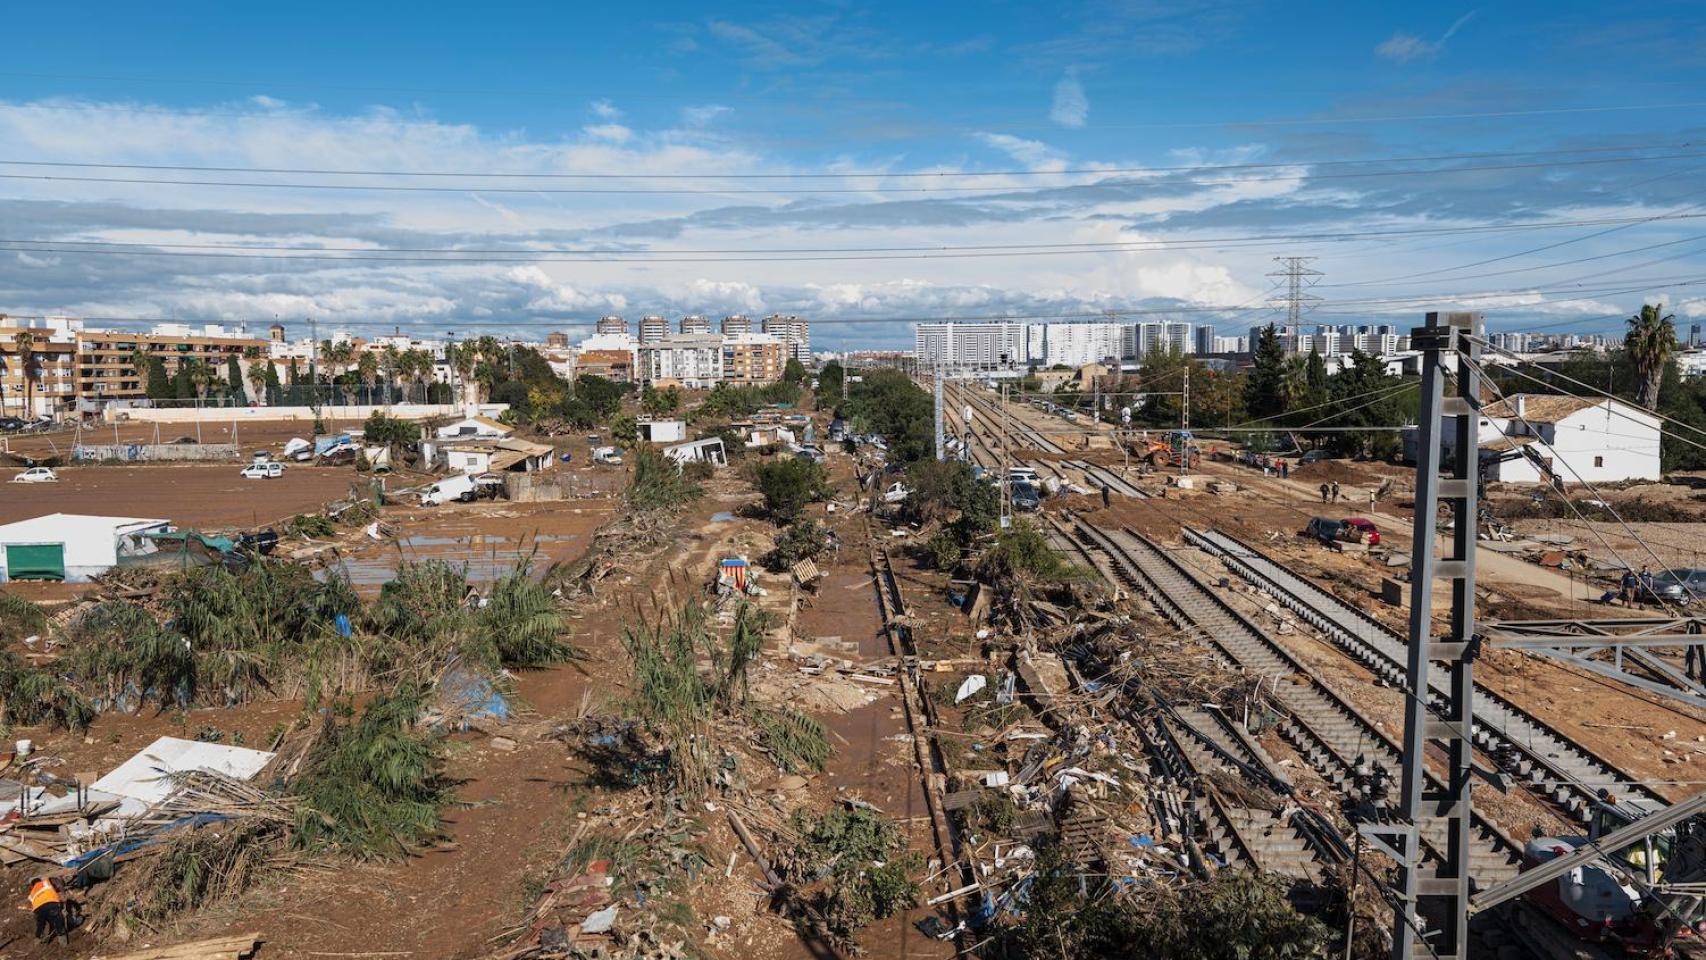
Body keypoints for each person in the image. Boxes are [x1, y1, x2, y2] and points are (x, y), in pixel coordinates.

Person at [29, 873, 69, 945]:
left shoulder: (31, 893)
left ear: (32, 886)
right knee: (57, 920)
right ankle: (63, 941)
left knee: (40, 924)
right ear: (40, 881)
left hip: (38, 909)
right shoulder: (46, 882)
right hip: (51, 903)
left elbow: (34, 909)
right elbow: (58, 883)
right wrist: (63, 894)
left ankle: (38, 940)